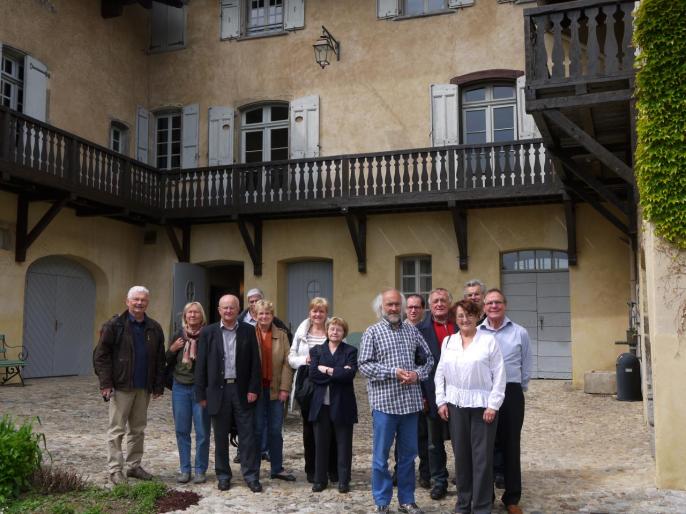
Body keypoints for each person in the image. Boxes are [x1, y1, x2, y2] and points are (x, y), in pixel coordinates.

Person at [359, 288, 434, 514]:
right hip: (384, 405)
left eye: (396, 304)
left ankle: (407, 500)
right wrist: (393, 372)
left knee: (408, 457)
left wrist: (417, 374)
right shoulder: (372, 332)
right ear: (381, 307)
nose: (393, 308)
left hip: (410, 406)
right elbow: (363, 365)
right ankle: (382, 502)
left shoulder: (412, 331)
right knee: (381, 458)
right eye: (388, 305)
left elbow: (429, 359)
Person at [435, 299, 506, 514]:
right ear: (455, 319)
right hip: (456, 406)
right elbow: (440, 373)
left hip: (482, 407)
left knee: (482, 459)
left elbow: (500, 375)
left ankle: (482, 507)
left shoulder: (489, 341)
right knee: (462, 458)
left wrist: (493, 405)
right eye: (460, 316)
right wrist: (441, 401)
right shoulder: (448, 342)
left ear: (477, 316)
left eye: (469, 315)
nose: (464, 319)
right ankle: (463, 504)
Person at [93, 286, 166, 485]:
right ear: (127, 301)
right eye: (135, 299)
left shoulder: (154, 327)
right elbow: (100, 356)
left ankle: (134, 466)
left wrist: (158, 385)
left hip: (143, 387)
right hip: (121, 386)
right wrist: (105, 383)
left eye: (143, 300)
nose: (139, 303)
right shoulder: (114, 325)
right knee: (117, 429)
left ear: (147, 302)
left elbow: (160, 358)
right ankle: (115, 470)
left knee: (138, 429)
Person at [194, 294, 263, 493]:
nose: (228, 311)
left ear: (238, 309)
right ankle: (223, 475)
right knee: (221, 436)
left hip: (241, 390)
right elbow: (201, 366)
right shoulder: (208, 332)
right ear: (219, 310)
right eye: (225, 308)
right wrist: (201, 394)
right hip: (218, 391)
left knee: (248, 436)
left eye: (232, 308)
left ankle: (251, 476)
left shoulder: (249, 331)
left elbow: (255, 364)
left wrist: (253, 388)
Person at [478, 288, 532, 514]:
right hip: (485, 393)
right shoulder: (478, 333)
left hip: (510, 392)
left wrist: (519, 388)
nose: (493, 306)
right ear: (484, 307)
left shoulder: (520, 332)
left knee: (511, 445)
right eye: (489, 303)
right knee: (485, 446)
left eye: (497, 302)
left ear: (505, 305)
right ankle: (485, 497)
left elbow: (526, 365)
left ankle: (511, 497)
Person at [288, 297, 337, 484]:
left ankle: (332, 468)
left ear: (326, 313)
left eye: (322, 311)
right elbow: (291, 358)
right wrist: (305, 360)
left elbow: (342, 353)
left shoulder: (334, 328)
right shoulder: (302, 332)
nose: (318, 314)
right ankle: (312, 469)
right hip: (308, 385)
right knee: (309, 430)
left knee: (331, 427)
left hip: (329, 385)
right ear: (310, 312)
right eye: (315, 311)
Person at [308, 317, 358, 494]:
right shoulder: (317, 350)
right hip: (321, 405)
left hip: (343, 404)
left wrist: (327, 370)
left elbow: (349, 375)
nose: (335, 332)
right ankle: (320, 480)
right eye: (332, 329)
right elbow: (313, 374)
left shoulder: (351, 351)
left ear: (344, 332)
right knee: (321, 444)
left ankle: (344, 480)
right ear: (327, 331)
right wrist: (338, 371)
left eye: (339, 329)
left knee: (344, 445)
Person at [416, 288, 457, 500]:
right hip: (431, 394)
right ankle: (439, 480)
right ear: (430, 305)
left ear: (449, 304)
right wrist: (422, 396)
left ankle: (465, 480)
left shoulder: (460, 326)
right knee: (434, 443)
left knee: (461, 441)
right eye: (435, 301)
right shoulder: (420, 330)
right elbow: (417, 365)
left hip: (459, 395)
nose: (439, 304)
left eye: (443, 300)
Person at [166, 301, 211, 484]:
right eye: (189, 313)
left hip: (200, 390)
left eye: (196, 313)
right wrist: (172, 349)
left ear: (202, 316)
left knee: (202, 432)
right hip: (180, 389)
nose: (192, 315)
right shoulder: (178, 335)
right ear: (185, 316)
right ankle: (185, 469)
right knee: (181, 430)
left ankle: (200, 469)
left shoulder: (208, 335)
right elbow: (166, 360)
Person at [252, 299, 296, 482]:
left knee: (275, 430)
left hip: (276, 389)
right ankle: (252, 468)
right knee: (256, 430)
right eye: (261, 313)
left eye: (267, 313)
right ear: (255, 315)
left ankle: (277, 467)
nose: (264, 317)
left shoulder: (282, 335)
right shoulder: (248, 333)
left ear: (272, 315)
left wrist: (285, 388)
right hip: (255, 390)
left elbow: (287, 363)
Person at [392, 294, 431, 489]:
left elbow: (429, 362)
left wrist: (426, 394)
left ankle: (425, 474)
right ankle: (400, 472)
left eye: (417, 307)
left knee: (424, 436)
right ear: (405, 310)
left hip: (424, 389)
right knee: (402, 437)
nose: (413, 310)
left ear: (423, 309)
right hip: (402, 392)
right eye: (410, 307)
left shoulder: (426, 331)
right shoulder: (397, 330)